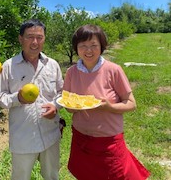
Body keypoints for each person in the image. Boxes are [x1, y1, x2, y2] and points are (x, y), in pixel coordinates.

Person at [63, 24, 150, 180]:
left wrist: (109, 107)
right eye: (83, 46)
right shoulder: (71, 72)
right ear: (76, 48)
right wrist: (75, 106)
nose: (88, 50)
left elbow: (131, 103)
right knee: (86, 174)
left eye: (93, 45)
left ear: (101, 46)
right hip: (81, 138)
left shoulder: (113, 70)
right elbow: (68, 106)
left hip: (108, 140)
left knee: (116, 174)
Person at [0, 19, 64, 180]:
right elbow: (0, 98)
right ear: (21, 39)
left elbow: (62, 93)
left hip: (50, 135)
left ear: (44, 39)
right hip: (23, 138)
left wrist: (55, 106)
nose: (35, 42)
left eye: (39, 37)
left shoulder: (52, 65)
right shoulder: (8, 66)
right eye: (30, 37)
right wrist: (18, 98)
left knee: (52, 176)